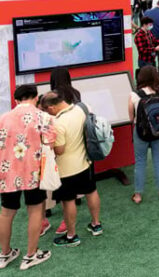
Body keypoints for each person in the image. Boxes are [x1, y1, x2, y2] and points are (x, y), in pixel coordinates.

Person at [0, 85, 54, 270]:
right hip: (34, 172)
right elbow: (50, 143)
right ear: (36, 97)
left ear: (16, 100)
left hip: (7, 173)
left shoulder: (3, 119)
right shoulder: (43, 117)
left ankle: (4, 254)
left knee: (6, 212)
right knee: (35, 210)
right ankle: (31, 255)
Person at [40, 91, 102, 247]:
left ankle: (71, 235)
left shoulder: (58, 123)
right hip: (86, 162)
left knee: (68, 201)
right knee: (91, 191)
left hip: (66, 169)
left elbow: (60, 150)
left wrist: (49, 145)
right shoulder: (80, 109)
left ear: (51, 107)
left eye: (47, 110)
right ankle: (96, 224)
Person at [128, 66, 159, 204]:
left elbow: (131, 117)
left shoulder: (135, 94)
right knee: (158, 161)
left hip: (141, 132)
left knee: (140, 162)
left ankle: (138, 195)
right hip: (158, 132)